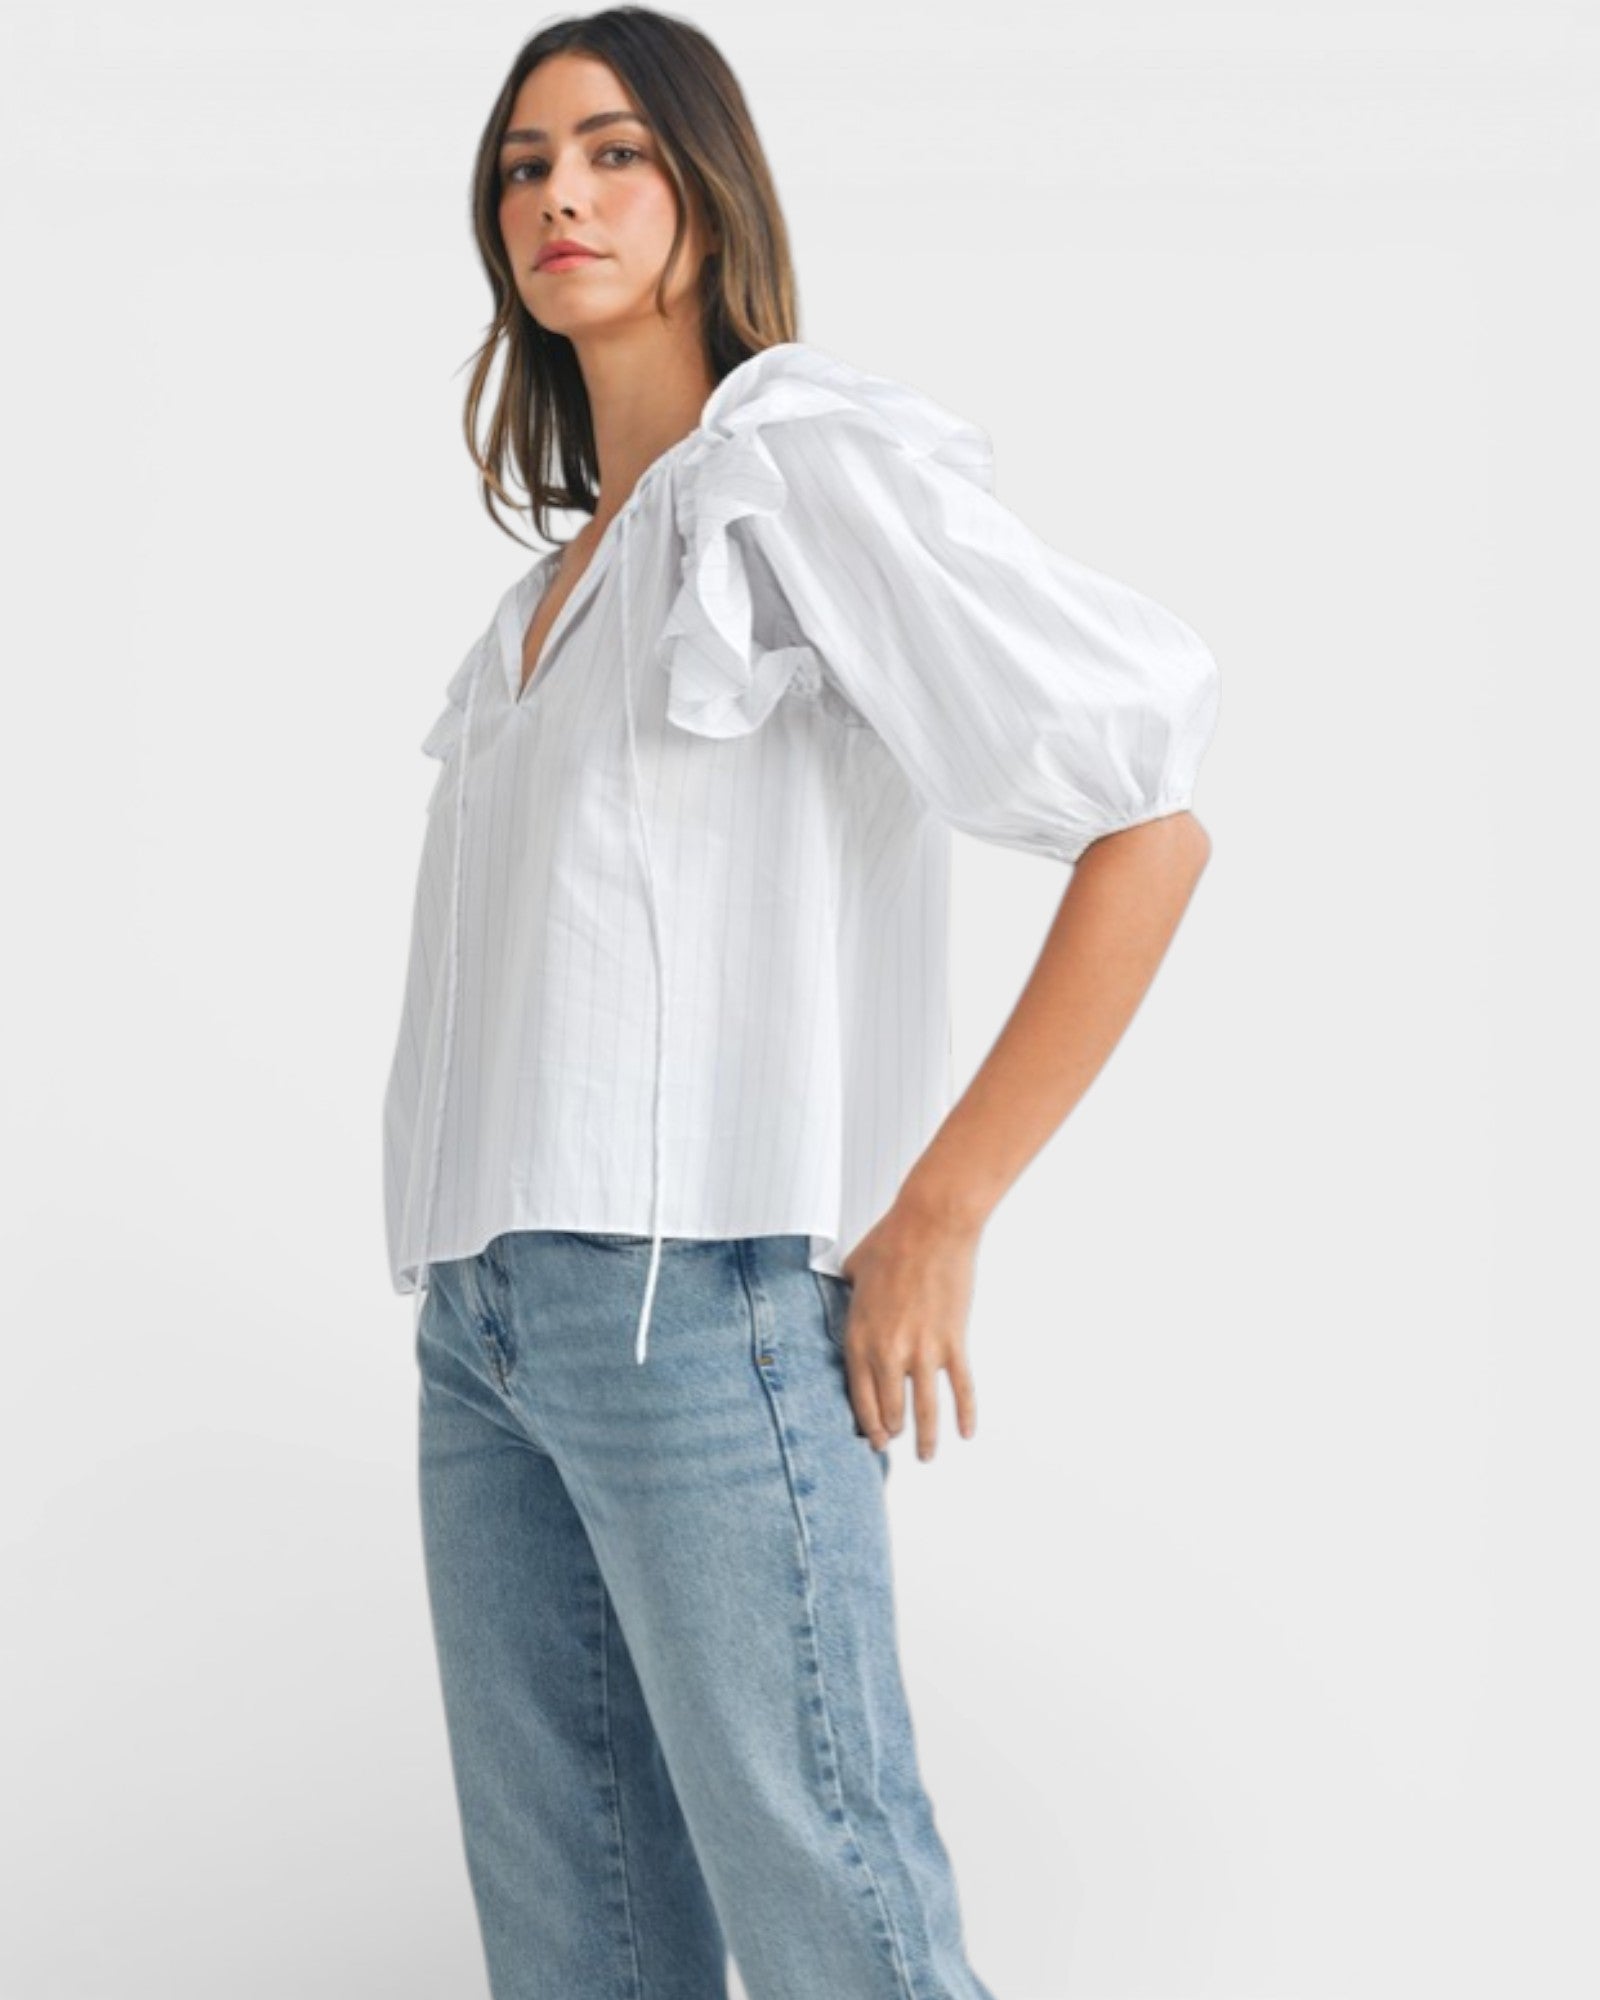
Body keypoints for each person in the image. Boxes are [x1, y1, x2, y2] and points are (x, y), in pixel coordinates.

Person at [382, 11, 1219, 1997]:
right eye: (520, 166)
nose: (557, 197)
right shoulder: (547, 593)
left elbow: (1147, 815)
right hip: (481, 1326)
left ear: (704, 189)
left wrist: (937, 1207)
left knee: (831, 1913)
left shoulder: (799, 466)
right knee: (571, 1948)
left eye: (609, 152)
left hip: (706, 1314)